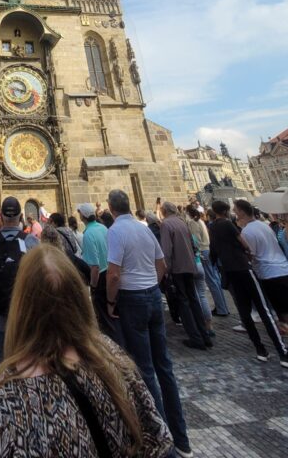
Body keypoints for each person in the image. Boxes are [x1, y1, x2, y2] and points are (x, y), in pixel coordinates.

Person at [0, 245, 174, 458]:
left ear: (20, 304)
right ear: (78, 297)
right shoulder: (112, 355)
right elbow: (158, 439)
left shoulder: (12, 395)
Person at [106, 189, 193, 458]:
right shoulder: (145, 228)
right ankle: (181, 439)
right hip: (153, 298)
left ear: (111, 209)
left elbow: (113, 274)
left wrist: (111, 304)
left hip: (132, 300)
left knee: (144, 368)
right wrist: (151, 286)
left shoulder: (116, 232)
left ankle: (161, 440)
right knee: (164, 366)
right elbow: (162, 264)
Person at [209, 199, 288, 367]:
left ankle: (260, 350)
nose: (235, 213)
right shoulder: (249, 227)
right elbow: (246, 247)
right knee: (264, 311)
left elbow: (213, 251)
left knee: (245, 312)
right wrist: (247, 256)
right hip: (248, 270)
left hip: (231, 271)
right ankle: (282, 352)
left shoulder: (214, 227)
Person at [0, 197, 40, 379]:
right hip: (26, 313)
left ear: (1, 217)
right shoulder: (32, 243)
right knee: (28, 357)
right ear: (21, 216)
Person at [159, 201, 213, 351]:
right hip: (190, 266)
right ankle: (205, 335)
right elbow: (193, 245)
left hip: (177, 269)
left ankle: (195, 338)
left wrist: (165, 271)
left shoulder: (166, 224)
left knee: (183, 302)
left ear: (164, 211)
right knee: (193, 299)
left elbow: (167, 252)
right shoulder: (182, 222)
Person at [234, 199, 288, 333]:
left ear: (241, 212)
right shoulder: (264, 225)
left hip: (268, 272)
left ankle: (284, 327)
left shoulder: (247, 232)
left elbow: (251, 254)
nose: (234, 212)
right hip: (282, 267)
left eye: (235, 210)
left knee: (280, 306)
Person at [78, 202, 124, 345]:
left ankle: (117, 351)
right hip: (112, 274)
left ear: (83, 216)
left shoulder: (88, 235)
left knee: (105, 320)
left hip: (101, 280)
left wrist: (93, 285)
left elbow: (95, 267)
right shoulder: (103, 228)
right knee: (115, 315)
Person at [185, 204, 229, 317]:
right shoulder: (199, 221)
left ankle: (221, 309)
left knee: (211, 281)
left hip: (203, 252)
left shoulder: (193, 223)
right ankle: (222, 307)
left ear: (188, 213)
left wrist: (196, 253)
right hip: (207, 249)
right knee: (215, 279)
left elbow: (195, 240)